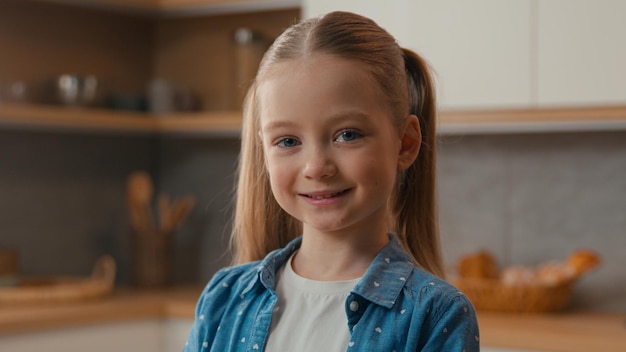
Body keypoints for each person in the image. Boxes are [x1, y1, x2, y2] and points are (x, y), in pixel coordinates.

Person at [184, 11, 479, 352]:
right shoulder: (223, 298)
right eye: (288, 141)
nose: (316, 167)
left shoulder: (436, 314)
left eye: (347, 135)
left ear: (406, 143)